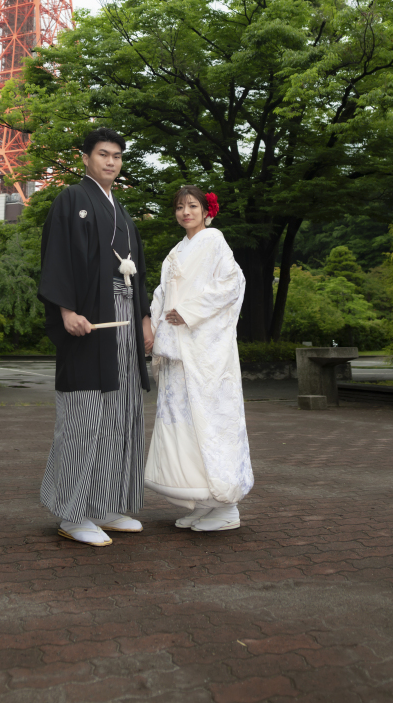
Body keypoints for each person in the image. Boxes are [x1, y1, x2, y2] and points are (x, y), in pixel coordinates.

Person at [38, 127, 154, 546]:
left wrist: (143, 316)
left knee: (120, 413)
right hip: (90, 320)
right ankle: (72, 512)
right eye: (103, 154)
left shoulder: (121, 211)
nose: (111, 162)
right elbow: (57, 256)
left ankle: (103, 503)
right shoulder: (72, 199)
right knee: (84, 416)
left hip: (122, 318)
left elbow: (136, 267)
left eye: (117, 156)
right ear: (85, 157)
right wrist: (66, 308)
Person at [144, 186, 254, 532]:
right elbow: (164, 292)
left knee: (210, 420)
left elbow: (233, 284)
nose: (185, 212)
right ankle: (201, 501)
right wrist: (154, 327)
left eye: (192, 206)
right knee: (182, 423)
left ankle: (226, 506)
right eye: (179, 207)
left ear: (208, 211)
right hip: (178, 349)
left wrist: (188, 311)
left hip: (205, 351)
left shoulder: (214, 241)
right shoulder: (178, 249)